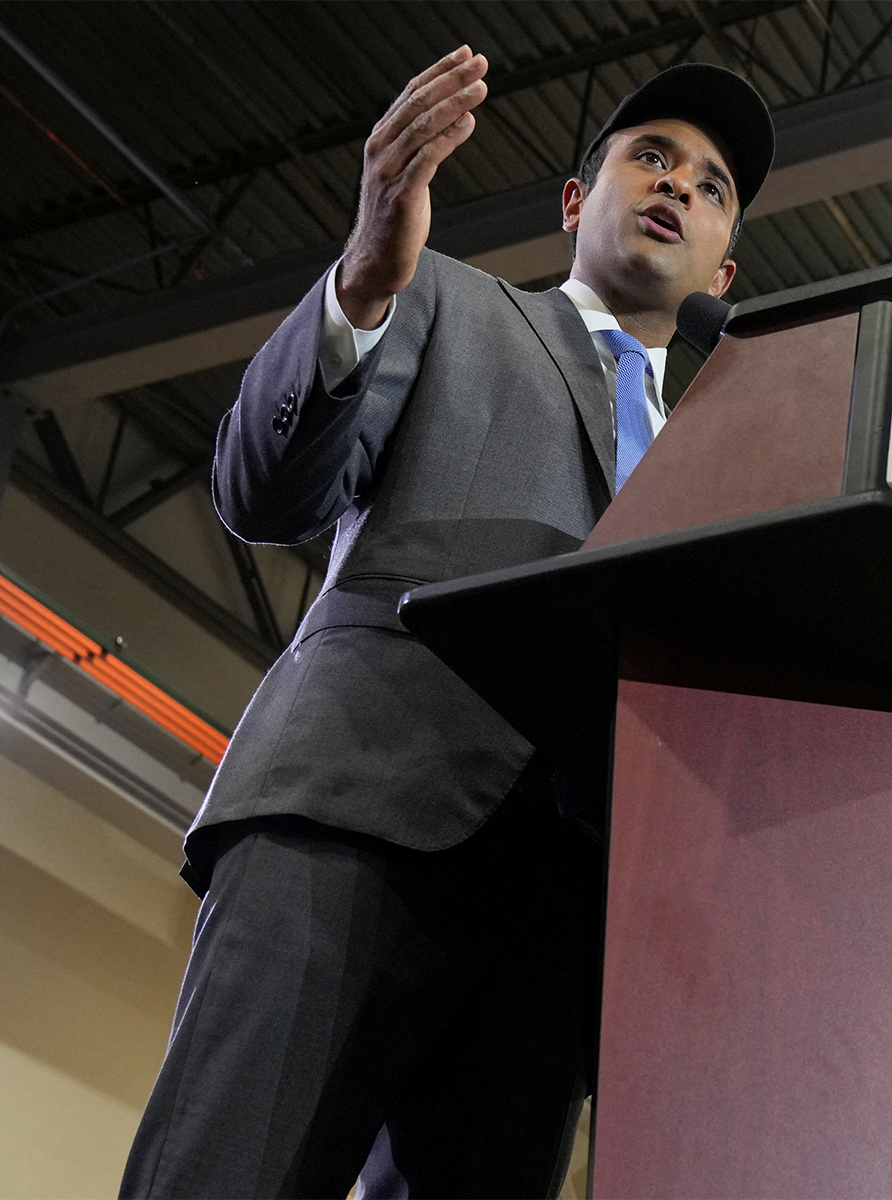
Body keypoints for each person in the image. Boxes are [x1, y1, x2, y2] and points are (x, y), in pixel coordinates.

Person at [119, 49, 774, 1199]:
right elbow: (261, 493)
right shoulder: (442, 297)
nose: (677, 185)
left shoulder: (738, 461)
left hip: (566, 919)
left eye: (711, 185)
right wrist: (366, 277)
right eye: (651, 159)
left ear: (730, 259)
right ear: (577, 201)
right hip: (360, 818)